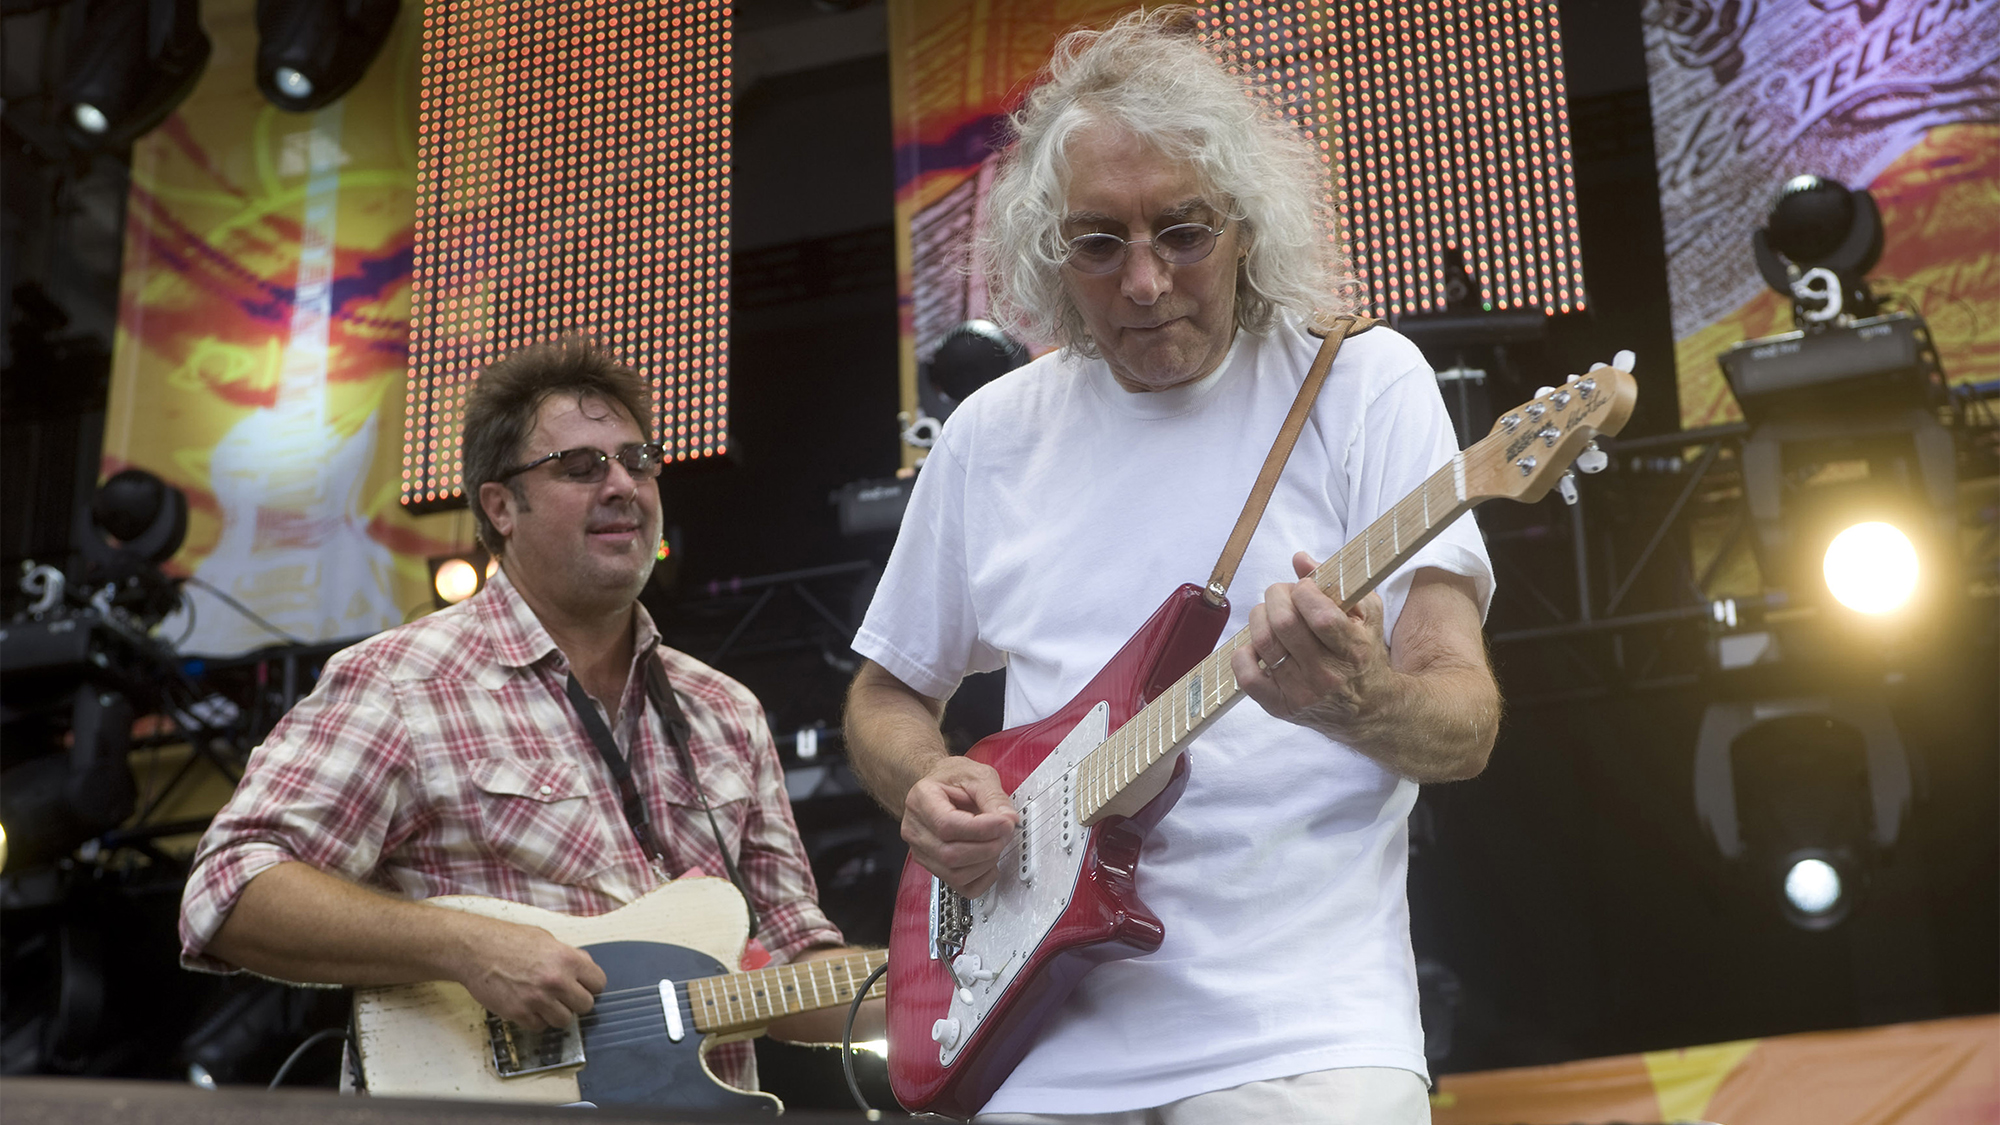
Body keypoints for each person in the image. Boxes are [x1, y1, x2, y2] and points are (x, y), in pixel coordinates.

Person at [843, 10, 1499, 1124]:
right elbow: (886, 692)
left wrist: (1355, 700)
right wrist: (925, 782)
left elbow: (1463, 722)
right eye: (1099, 243)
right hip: (1031, 1043)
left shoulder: (1359, 385)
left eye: (1182, 234)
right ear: (1050, 253)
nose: (1144, 282)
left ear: (1243, 225)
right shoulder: (990, 436)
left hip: (1304, 1039)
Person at [179, 339, 882, 1094]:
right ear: (500, 506)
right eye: (581, 467)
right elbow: (229, 888)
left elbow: (787, 964)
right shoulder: (401, 680)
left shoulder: (724, 710)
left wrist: (949, 979)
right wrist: (466, 945)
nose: (623, 485)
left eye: (637, 460)